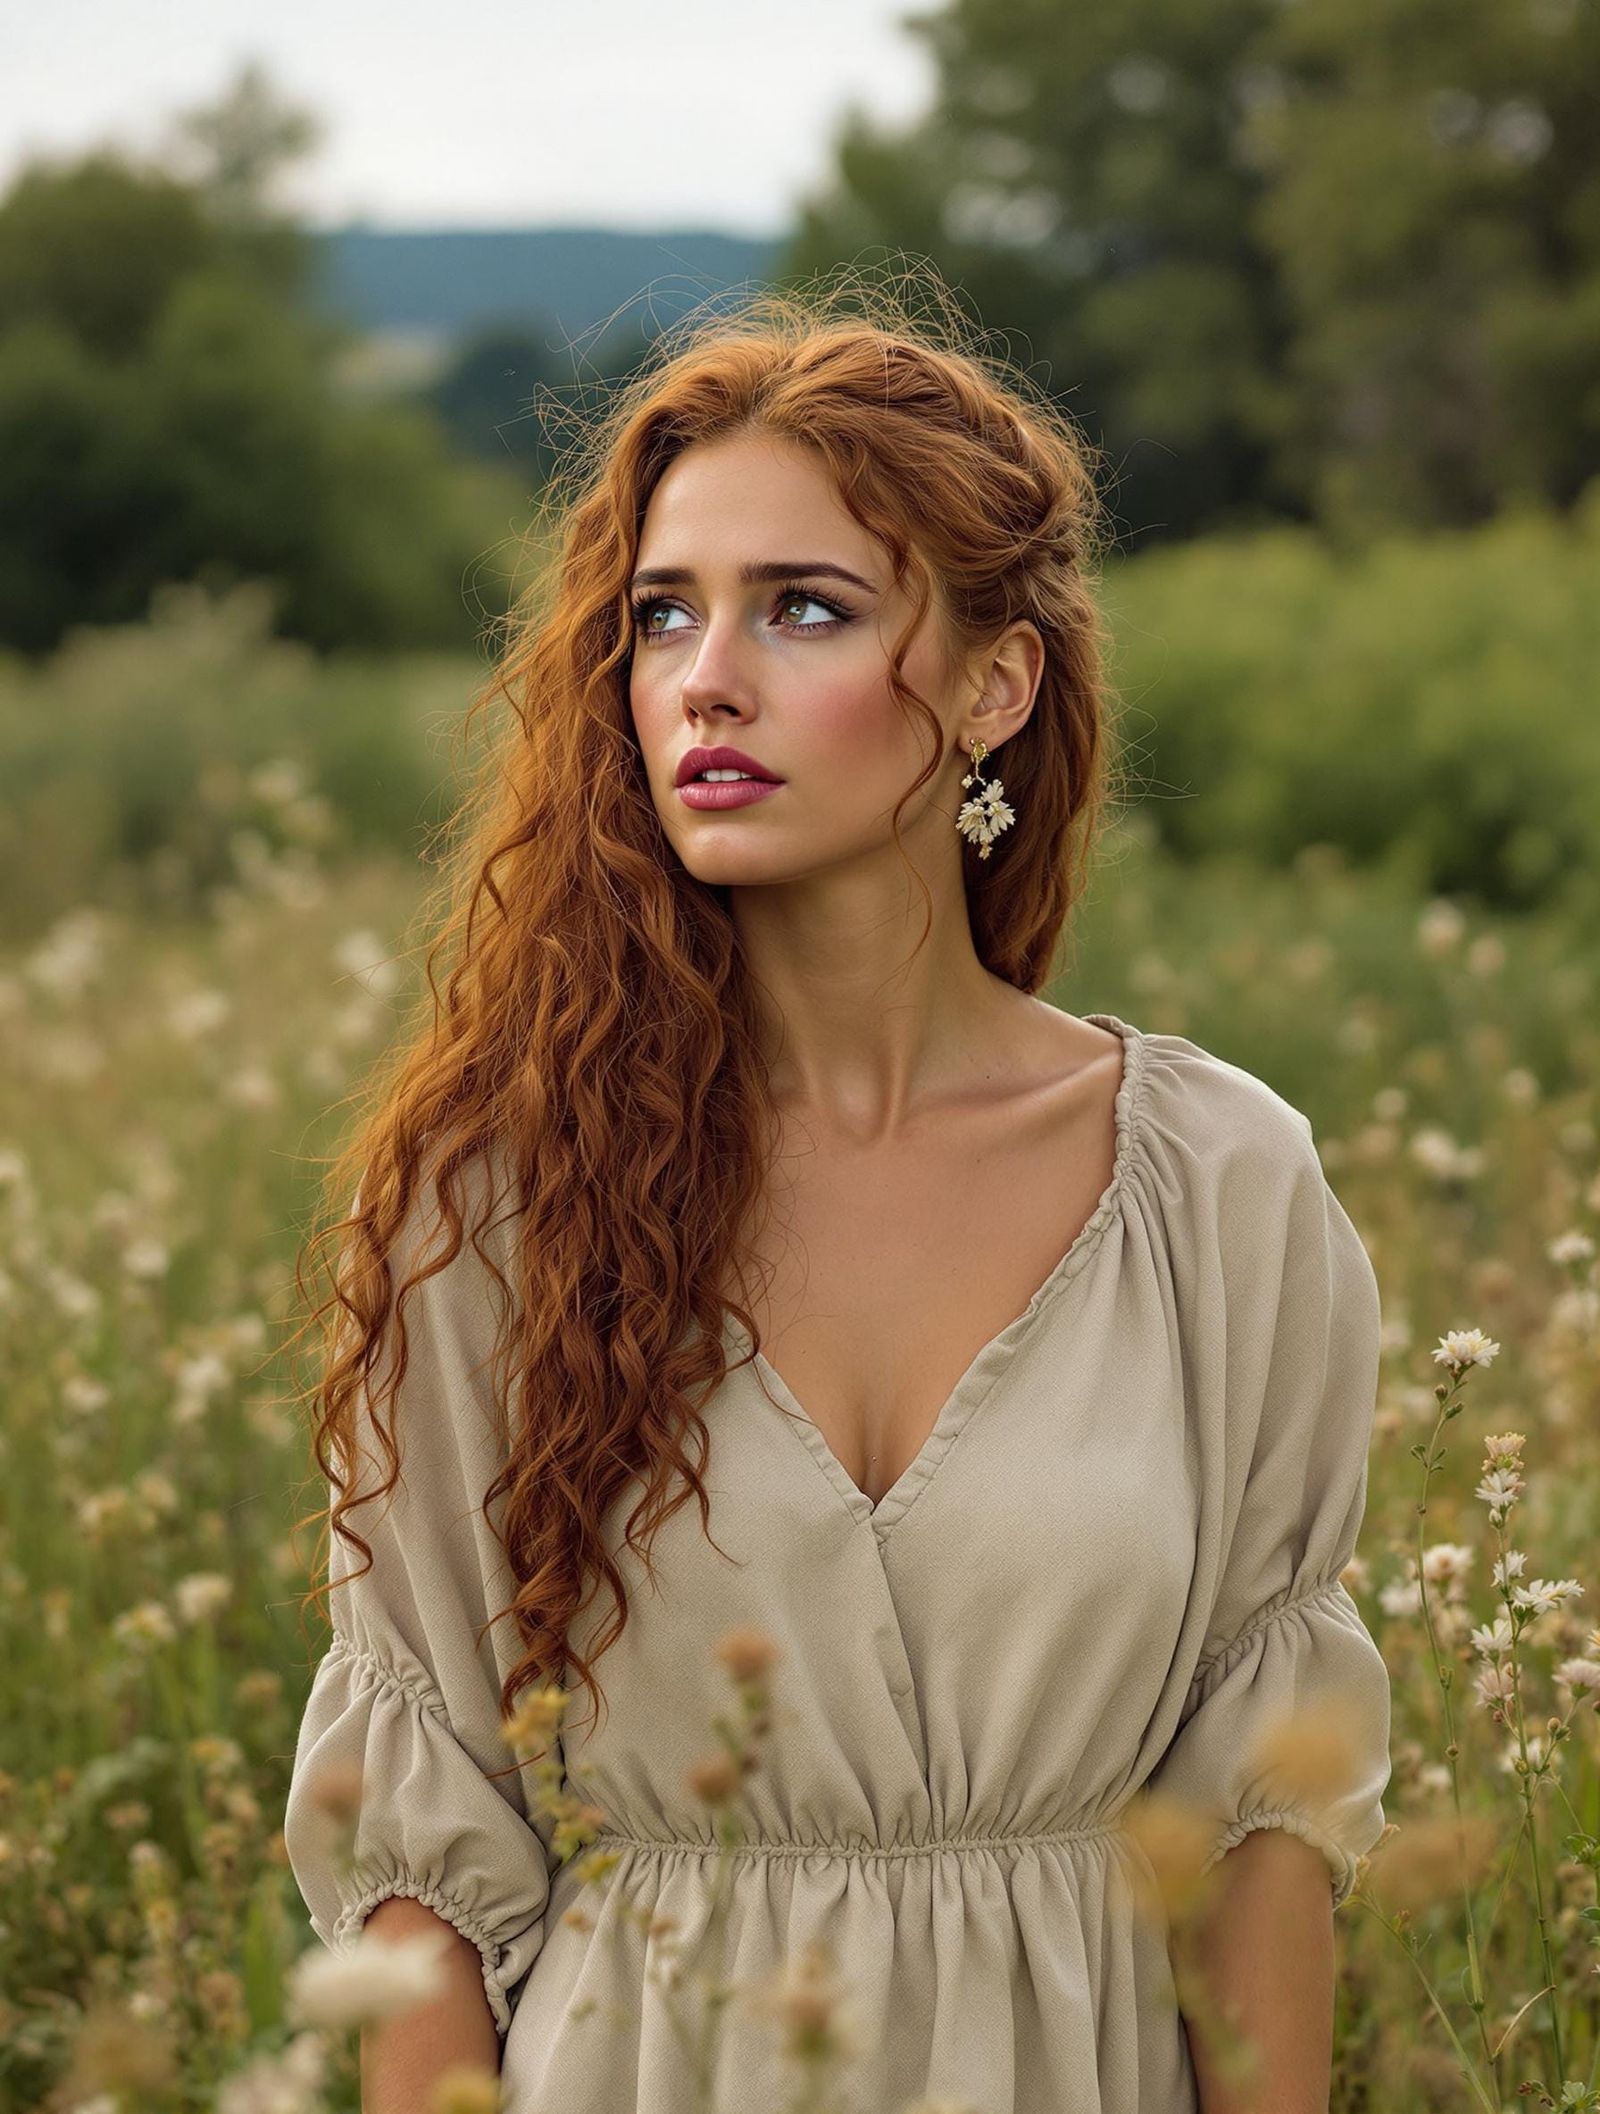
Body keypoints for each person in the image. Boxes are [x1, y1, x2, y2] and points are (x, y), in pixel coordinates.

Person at [282, 280, 1392, 2114]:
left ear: (990, 683)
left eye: (803, 607)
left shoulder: (1219, 1184)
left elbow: (1261, 1808)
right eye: (662, 615)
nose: (704, 675)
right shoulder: (498, 1197)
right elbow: (421, 1838)